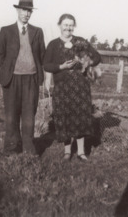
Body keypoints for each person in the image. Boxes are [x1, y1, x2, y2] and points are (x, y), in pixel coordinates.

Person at [43, 13, 101, 161]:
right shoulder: (53, 44)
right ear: (59, 25)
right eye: (65, 24)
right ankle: (67, 152)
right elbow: (47, 65)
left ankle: (81, 152)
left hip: (80, 88)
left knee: (80, 117)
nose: (68, 27)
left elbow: (97, 57)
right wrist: (60, 66)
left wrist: (86, 62)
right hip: (62, 87)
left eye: (71, 25)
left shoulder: (80, 42)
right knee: (64, 117)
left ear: (74, 26)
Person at [0, 0, 45, 155]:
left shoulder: (37, 32)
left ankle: (29, 150)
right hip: (12, 79)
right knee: (11, 116)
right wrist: (10, 69)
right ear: (17, 10)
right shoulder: (6, 30)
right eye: (24, 10)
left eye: (29, 11)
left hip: (31, 79)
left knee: (29, 115)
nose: (26, 13)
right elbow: (0, 55)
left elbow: (42, 55)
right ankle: (11, 150)